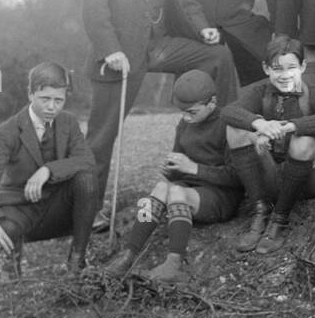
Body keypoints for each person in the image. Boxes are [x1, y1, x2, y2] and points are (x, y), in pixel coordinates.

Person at [83, 0, 237, 221]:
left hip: (161, 45)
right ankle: (87, 210)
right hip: (120, 53)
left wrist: (204, 29)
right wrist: (110, 49)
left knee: (218, 55)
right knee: (101, 136)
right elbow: (93, 7)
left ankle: (224, 149)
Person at [100, 69, 239, 284]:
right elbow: (177, 166)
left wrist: (193, 168)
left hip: (221, 194)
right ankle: (129, 254)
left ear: (212, 102)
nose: (186, 117)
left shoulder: (226, 124)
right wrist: (172, 169)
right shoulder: (185, 124)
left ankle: (174, 263)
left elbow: (236, 176)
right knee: (159, 189)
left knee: (175, 191)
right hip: (189, 186)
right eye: (182, 112)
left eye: (192, 112)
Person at [0, 61, 97, 279]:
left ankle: (77, 261)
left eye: (59, 100)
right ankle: (10, 272)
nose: (52, 107)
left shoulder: (68, 122)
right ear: (30, 94)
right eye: (45, 99)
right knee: (5, 229)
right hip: (21, 210)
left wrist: (48, 170)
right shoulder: (8, 131)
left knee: (86, 180)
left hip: (57, 208)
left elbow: (87, 160)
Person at [221, 37, 315, 253]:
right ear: (266, 69)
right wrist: (260, 125)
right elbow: (228, 112)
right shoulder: (260, 91)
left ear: (303, 67)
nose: (285, 75)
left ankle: (280, 219)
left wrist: (289, 127)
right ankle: (261, 208)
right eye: (277, 69)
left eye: (291, 68)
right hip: (274, 174)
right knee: (236, 129)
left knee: (303, 140)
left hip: (311, 179)